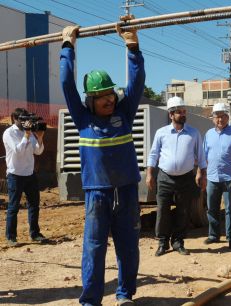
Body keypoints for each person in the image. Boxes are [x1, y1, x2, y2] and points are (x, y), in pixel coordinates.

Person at [60, 21, 145, 306]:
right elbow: (65, 82)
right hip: (97, 193)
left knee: (128, 246)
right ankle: (91, 300)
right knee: (94, 248)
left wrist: (132, 47)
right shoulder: (82, 119)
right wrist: (68, 47)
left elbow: (137, 81)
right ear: (90, 101)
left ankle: (124, 295)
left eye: (110, 94)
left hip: (127, 191)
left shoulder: (125, 113)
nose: (109, 99)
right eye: (101, 96)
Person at [146, 96, 207, 257]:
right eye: (179, 112)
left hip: (186, 178)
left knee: (183, 210)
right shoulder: (161, 133)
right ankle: (162, 242)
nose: (182, 114)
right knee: (162, 210)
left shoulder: (193, 133)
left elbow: (200, 156)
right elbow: (153, 154)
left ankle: (178, 242)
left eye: (184, 111)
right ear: (171, 114)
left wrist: (202, 173)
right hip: (165, 177)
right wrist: (149, 174)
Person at [3, 108, 45, 247]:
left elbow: (38, 151)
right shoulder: (9, 133)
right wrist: (26, 135)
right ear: (16, 119)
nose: (27, 122)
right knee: (13, 207)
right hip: (15, 174)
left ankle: (35, 233)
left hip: (30, 174)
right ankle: (11, 237)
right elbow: (18, 151)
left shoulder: (30, 132)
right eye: (24, 119)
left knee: (34, 205)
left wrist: (39, 137)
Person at [203, 102, 231, 249]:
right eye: (217, 117)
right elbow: (205, 155)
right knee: (212, 208)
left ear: (227, 117)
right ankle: (213, 235)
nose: (220, 120)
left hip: (230, 178)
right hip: (212, 178)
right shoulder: (208, 134)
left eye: (223, 116)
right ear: (213, 118)